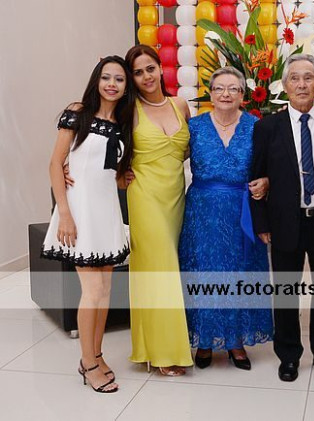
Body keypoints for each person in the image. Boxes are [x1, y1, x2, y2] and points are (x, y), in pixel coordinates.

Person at [251, 54, 314, 382]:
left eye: (308, 77)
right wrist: (262, 223)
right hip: (284, 223)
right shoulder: (267, 127)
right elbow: (256, 177)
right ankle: (289, 355)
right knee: (286, 293)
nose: (302, 84)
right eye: (295, 78)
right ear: (284, 85)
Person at [42, 56, 134, 393]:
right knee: (92, 291)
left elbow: (112, 173)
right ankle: (87, 364)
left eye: (119, 79)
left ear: (126, 87)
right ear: (97, 80)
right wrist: (64, 213)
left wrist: (125, 177)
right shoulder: (77, 112)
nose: (112, 84)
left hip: (107, 211)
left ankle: (97, 354)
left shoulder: (124, 124)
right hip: (79, 211)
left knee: (106, 291)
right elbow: (55, 164)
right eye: (106, 77)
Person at [178, 67, 273, 370]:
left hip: (242, 211)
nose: (226, 94)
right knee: (205, 272)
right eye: (219, 88)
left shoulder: (256, 126)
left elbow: (272, 164)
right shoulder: (194, 127)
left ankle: (235, 341)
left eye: (233, 88)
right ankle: (205, 339)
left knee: (239, 272)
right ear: (210, 93)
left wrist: (267, 182)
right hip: (202, 213)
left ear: (243, 95)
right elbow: (166, 157)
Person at [121, 45, 193, 376]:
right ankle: (166, 352)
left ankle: (153, 345)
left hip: (176, 196)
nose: (146, 76)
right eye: (137, 72)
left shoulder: (180, 104)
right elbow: (101, 141)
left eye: (150, 68)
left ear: (161, 68)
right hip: (145, 196)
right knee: (161, 266)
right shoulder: (128, 110)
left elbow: (193, 150)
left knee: (163, 269)